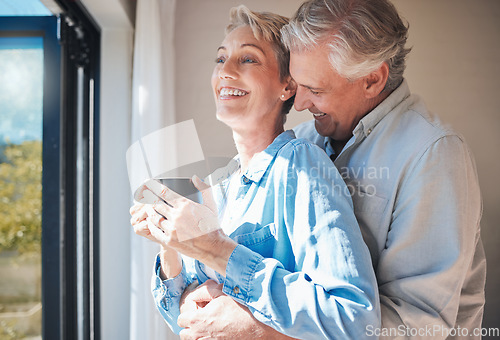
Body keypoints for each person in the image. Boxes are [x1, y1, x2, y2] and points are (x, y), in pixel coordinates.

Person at [175, 0, 486, 339]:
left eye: (316, 89)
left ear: (372, 79)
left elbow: (424, 326)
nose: (301, 103)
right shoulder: (301, 143)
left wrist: (261, 331)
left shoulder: (432, 154)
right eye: (298, 83)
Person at [130, 5, 380, 340]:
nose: (226, 71)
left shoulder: (302, 166)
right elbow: (186, 324)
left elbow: (353, 320)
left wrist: (217, 250)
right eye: (220, 59)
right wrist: (170, 245)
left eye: (248, 59)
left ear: (287, 86)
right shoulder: (221, 185)